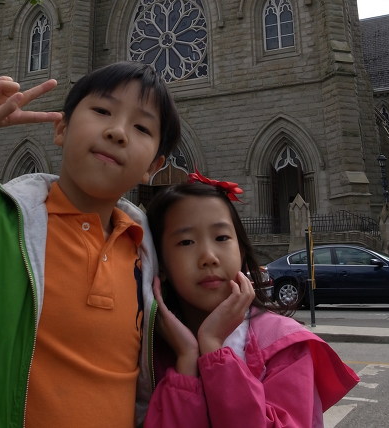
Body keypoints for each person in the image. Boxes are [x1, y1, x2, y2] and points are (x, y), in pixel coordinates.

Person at [0, 63, 180, 427]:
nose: (117, 132)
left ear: (153, 166)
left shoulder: (154, 259)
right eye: (103, 110)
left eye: (142, 128)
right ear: (61, 128)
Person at [144, 176, 359, 427]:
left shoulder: (283, 345)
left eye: (221, 238)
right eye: (186, 242)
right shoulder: (148, 349)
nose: (209, 257)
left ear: (241, 251)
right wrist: (186, 361)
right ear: (160, 264)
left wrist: (214, 350)